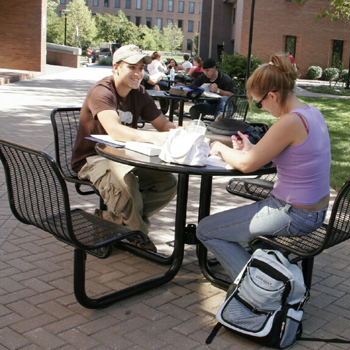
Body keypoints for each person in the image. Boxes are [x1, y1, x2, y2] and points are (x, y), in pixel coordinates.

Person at [196, 52, 331, 281]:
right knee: (222, 228)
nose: (263, 109)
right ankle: (262, 275)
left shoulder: (289, 121)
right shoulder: (311, 113)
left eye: (260, 103)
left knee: (206, 230)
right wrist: (251, 148)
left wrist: (219, 147)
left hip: (293, 214)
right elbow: (284, 155)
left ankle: (261, 287)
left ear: (272, 96)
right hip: (315, 211)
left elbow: (247, 165)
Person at [71, 44, 178, 252]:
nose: (138, 73)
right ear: (116, 67)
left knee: (167, 182)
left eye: (141, 68)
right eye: (132, 67)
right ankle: (138, 234)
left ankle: (109, 221)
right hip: (93, 158)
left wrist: (176, 132)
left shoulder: (139, 93)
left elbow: (163, 124)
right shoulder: (101, 91)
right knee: (126, 182)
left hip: (125, 157)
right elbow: (115, 131)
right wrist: (154, 139)